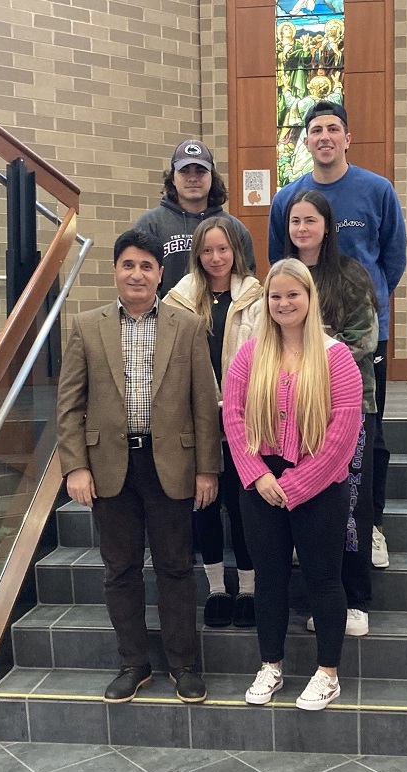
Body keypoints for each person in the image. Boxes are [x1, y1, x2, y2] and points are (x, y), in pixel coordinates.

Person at [56, 229, 221, 705]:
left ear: (160, 274)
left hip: (172, 464)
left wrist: (207, 469)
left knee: (175, 567)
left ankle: (184, 664)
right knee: (120, 570)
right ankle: (133, 663)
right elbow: (70, 406)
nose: (137, 274)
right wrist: (75, 467)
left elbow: (204, 405)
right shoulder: (87, 326)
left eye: (147, 266)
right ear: (115, 271)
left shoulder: (186, 327)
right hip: (109, 467)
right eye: (128, 264)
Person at [268, 100, 406, 570]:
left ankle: (373, 526)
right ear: (305, 140)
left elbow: (393, 259)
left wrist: (370, 302)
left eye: (333, 129)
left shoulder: (377, 189)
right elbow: (280, 263)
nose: (324, 136)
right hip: (295, 347)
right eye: (315, 130)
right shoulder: (289, 197)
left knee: (370, 435)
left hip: (363, 335)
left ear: (347, 138)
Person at [222, 259, 362, 711]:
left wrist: (298, 484)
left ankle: (327, 673)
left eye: (292, 295)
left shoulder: (336, 357)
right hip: (260, 485)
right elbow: (234, 417)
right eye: (275, 296)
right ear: (267, 302)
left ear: (308, 298)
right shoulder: (250, 355)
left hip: (320, 486)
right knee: (270, 579)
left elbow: (343, 430)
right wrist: (257, 474)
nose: (283, 303)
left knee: (324, 579)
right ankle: (271, 665)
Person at [282, 190, 379, 638]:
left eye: (310, 220)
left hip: (349, 408)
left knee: (351, 505)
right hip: (292, 415)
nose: (302, 228)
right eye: (295, 220)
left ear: (327, 226)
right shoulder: (283, 277)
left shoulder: (351, 274)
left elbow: (365, 340)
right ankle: (322, 596)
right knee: (313, 509)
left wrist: (309, 348)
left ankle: (356, 598)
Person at [163, 217, 265, 628]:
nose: (215, 257)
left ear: (235, 251)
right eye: (207, 250)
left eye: (223, 249)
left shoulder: (255, 297)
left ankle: (249, 590)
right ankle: (217, 590)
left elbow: (264, 353)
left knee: (243, 506)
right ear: (197, 254)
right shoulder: (178, 298)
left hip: (243, 414)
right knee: (204, 504)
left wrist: (239, 403)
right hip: (195, 414)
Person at [136, 139, 256, 299]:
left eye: (200, 171)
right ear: (173, 178)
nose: (193, 178)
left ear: (212, 177)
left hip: (223, 321)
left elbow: (247, 285)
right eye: (184, 171)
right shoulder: (150, 225)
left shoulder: (234, 228)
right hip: (167, 319)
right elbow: (140, 280)